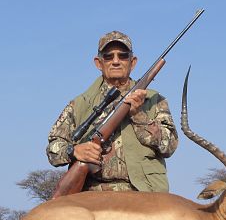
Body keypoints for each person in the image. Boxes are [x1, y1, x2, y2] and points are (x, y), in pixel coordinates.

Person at [46, 31, 178, 192]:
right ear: (98, 63)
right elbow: (53, 150)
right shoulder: (79, 105)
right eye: (109, 56)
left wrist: (139, 116)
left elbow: (169, 146)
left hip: (144, 194)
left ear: (133, 62)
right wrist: (73, 151)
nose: (116, 61)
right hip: (93, 194)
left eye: (122, 56)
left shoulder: (155, 100)